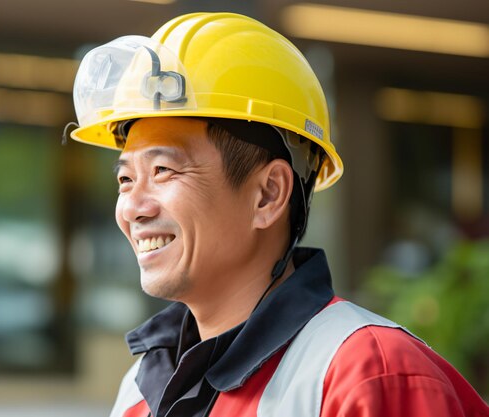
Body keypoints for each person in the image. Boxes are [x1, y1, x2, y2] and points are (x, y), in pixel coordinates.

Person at [66, 12, 489, 417]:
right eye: (125, 180)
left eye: (163, 171)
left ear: (268, 195)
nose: (135, 208)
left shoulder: (368, 374)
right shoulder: (141, 389)